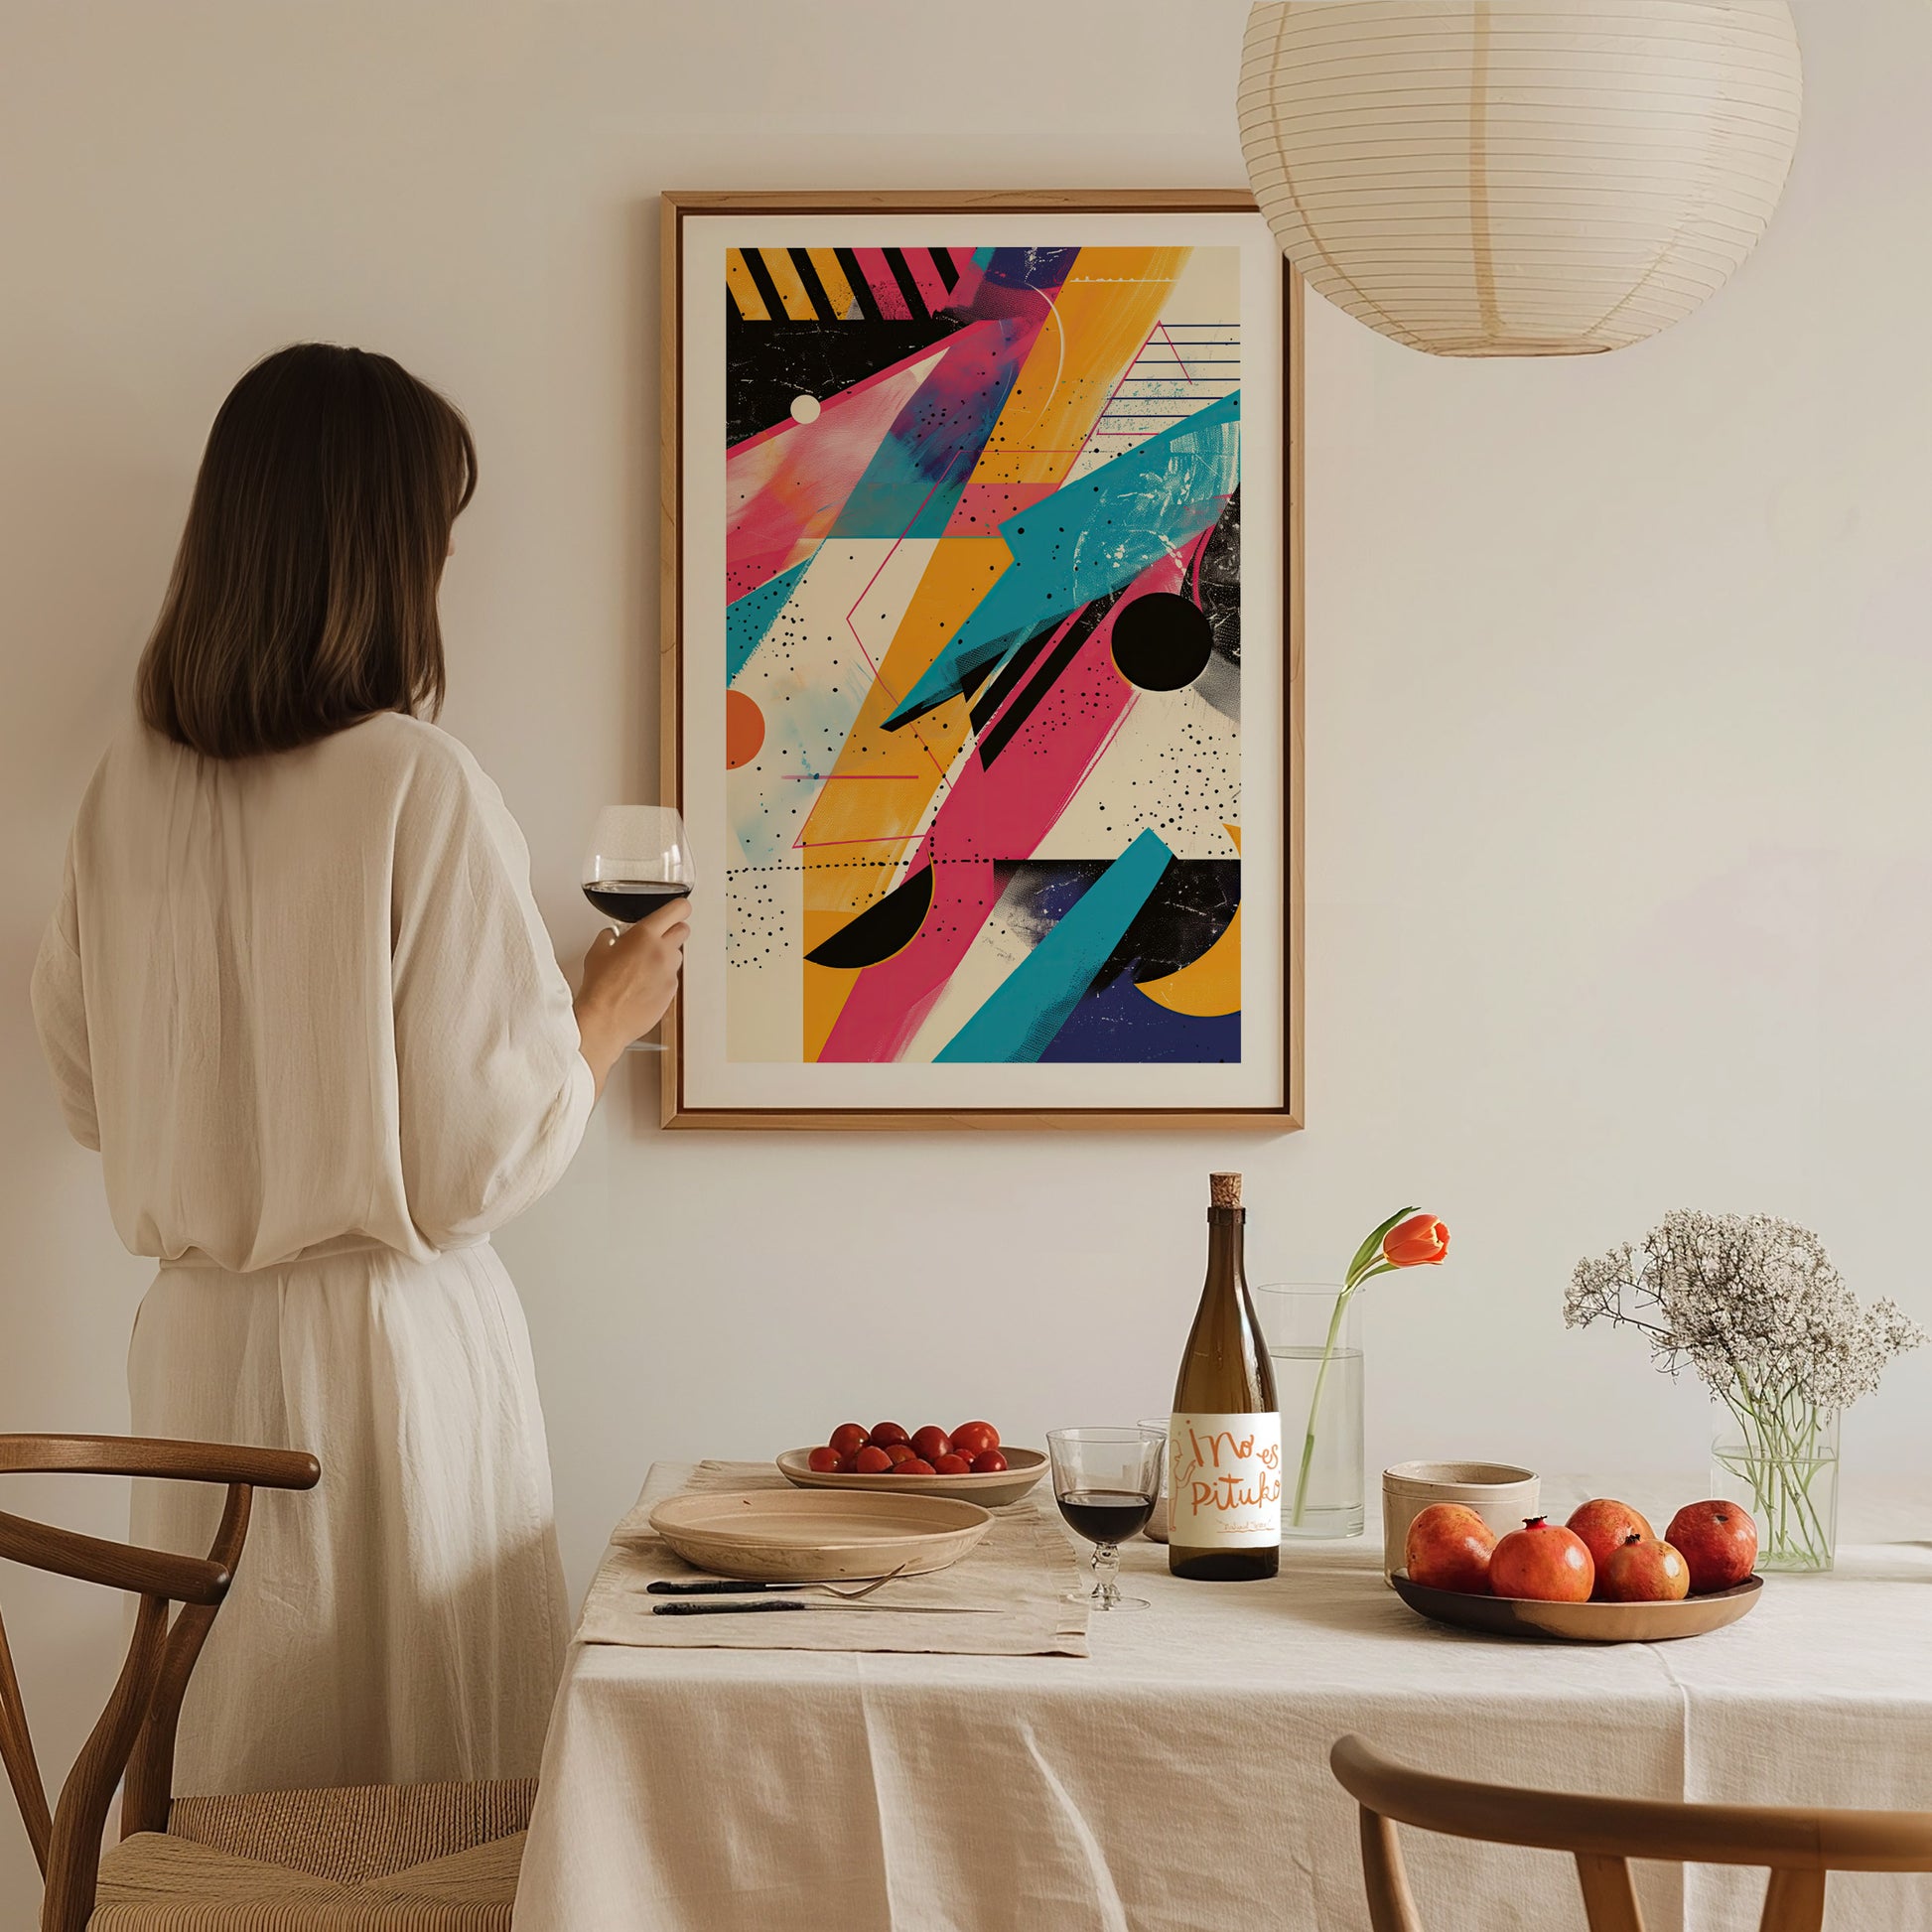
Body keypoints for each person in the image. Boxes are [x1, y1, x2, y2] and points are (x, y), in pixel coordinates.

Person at [29, 343, 686, 1793]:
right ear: (385, 549)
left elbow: (87, 1092)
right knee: (424, 1794)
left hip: (195, 1353)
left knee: (236, 1773)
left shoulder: (124, 791)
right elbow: (470, 1167)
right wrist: (602, 1013)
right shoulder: (415, 780)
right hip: (388, 1360)